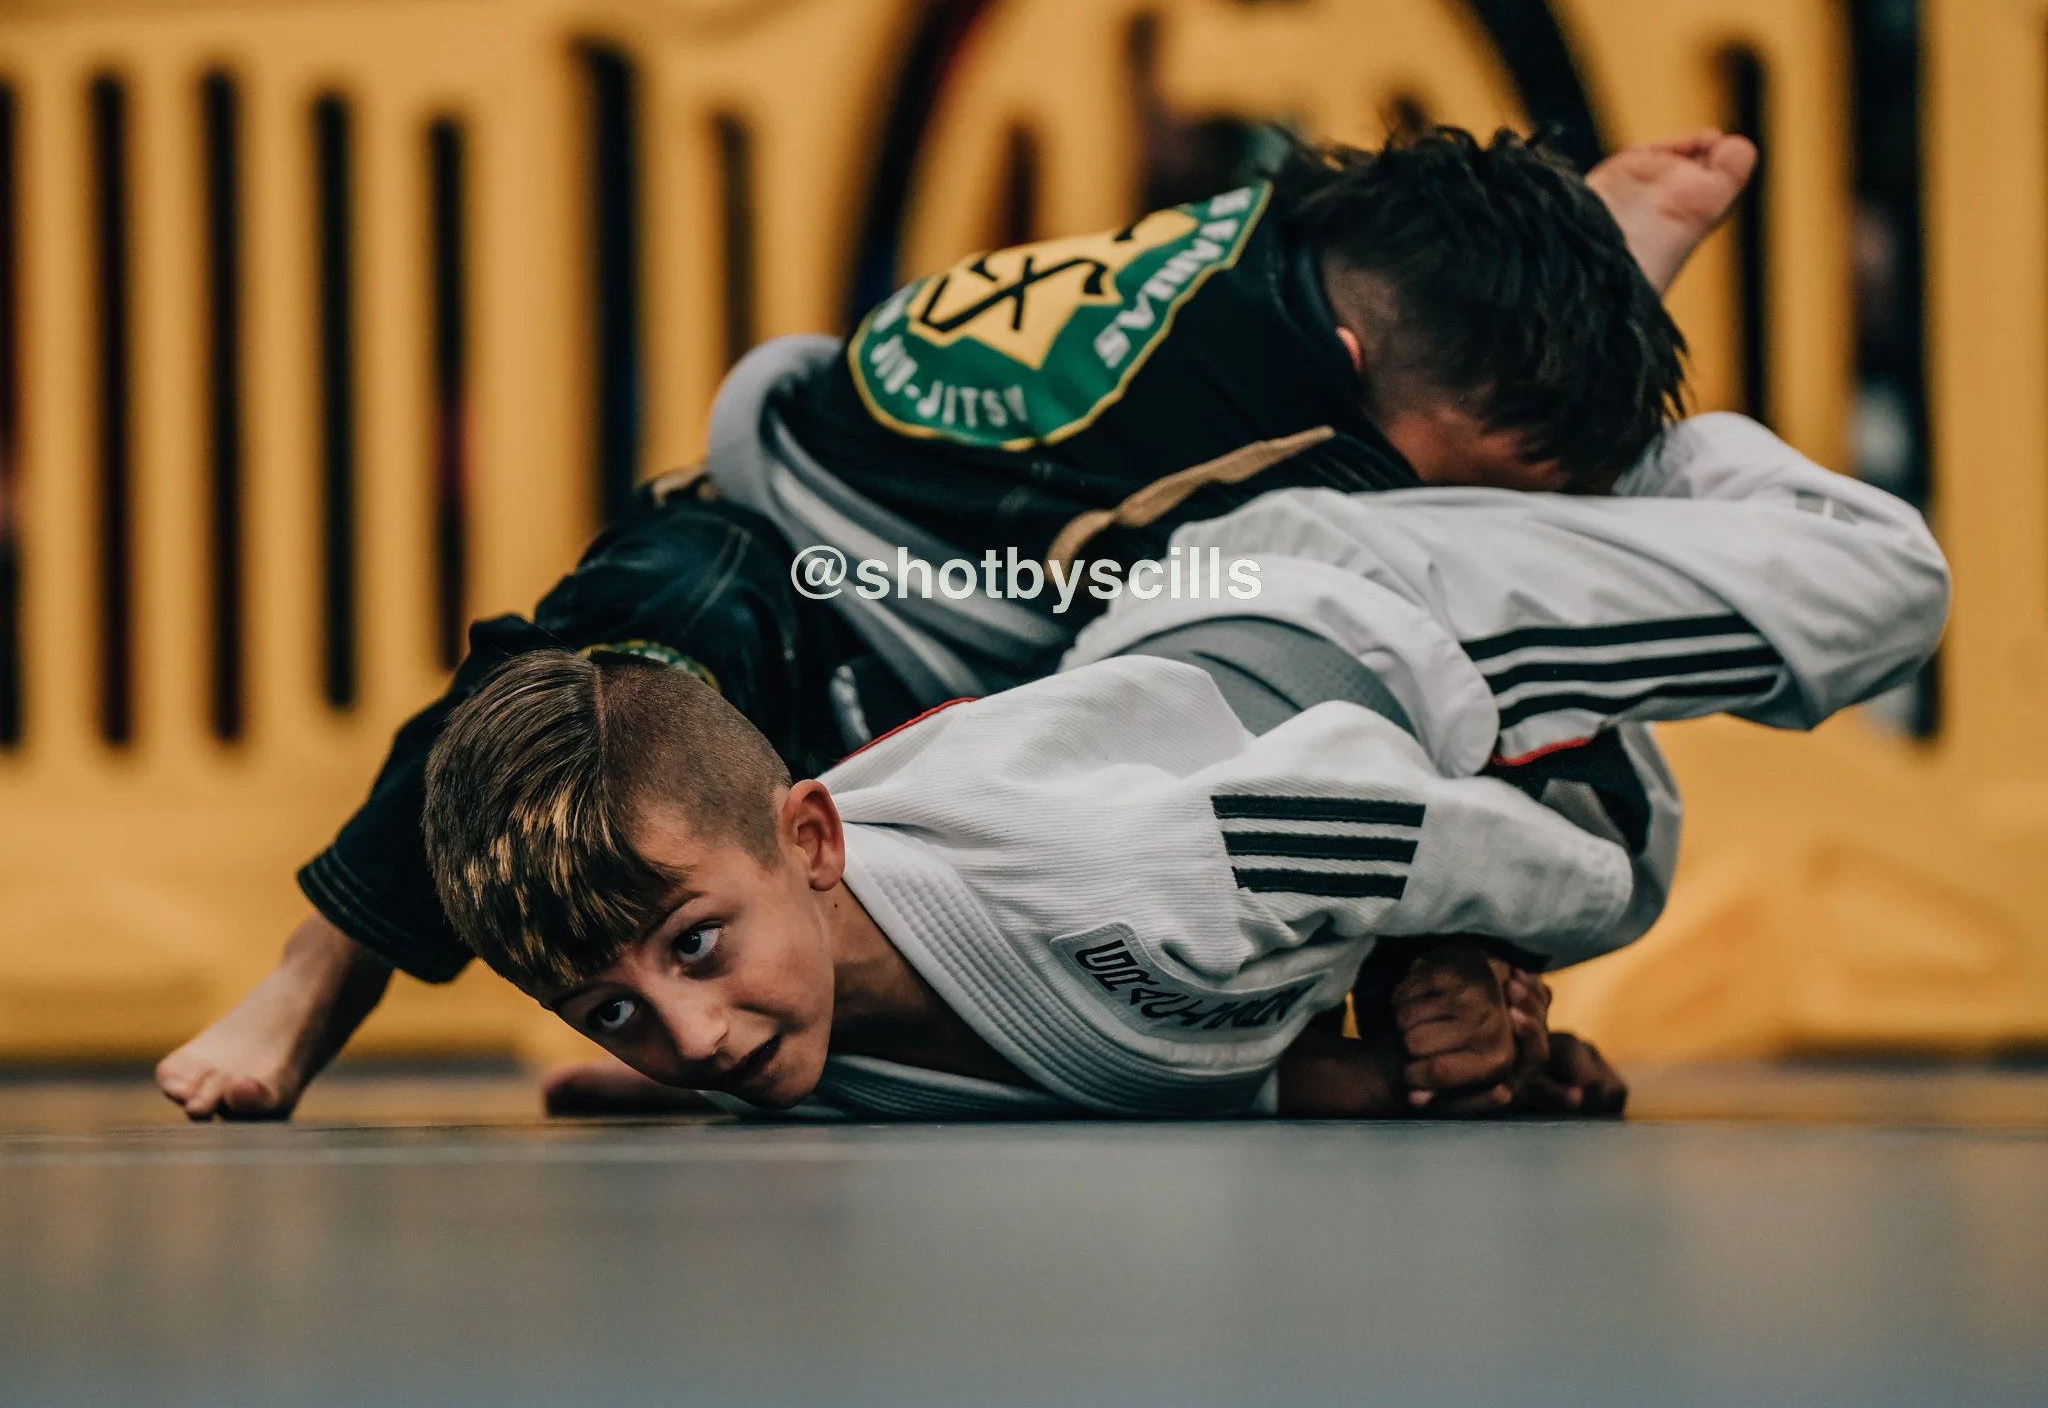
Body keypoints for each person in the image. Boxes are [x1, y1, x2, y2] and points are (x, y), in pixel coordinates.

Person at [155, 124, 1755, 1120]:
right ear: (1349, 385)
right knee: (589, 680)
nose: (1472, 514)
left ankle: (1585, 252)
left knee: (1336, 719)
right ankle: (322, 967)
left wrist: (1459, 962)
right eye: (1469, 476)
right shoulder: (1278, 428)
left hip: (1003, 638)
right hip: (828, 589)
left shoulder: (1312, 273)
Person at [419, 382, 1946, 1120]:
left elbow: (1403, 821)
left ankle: (1626, 459)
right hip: (1173, 684)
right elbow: (1189, 1067)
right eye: (614, 1007)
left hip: (1382, 615)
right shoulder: (777, 1038)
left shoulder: (1131, 871)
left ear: (812, 839)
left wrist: (1489, 952)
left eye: (694, 946)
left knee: (1880, 598)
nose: (690, 1033)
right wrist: (1421, 1066)